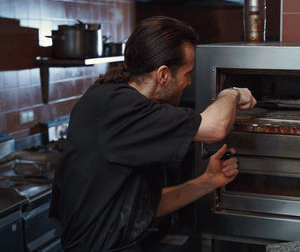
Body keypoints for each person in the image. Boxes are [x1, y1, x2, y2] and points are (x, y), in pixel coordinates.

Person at [49, 16, 257, 251]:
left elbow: (147, 206)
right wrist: (231, 93)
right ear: (163, 74)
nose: (189, 82)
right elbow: (215, 127)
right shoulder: (121, 107)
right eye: (187, 73)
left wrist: (208, 181)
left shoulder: (125, 104)